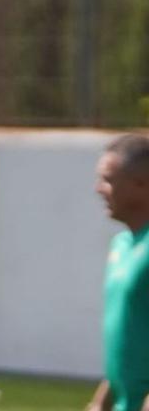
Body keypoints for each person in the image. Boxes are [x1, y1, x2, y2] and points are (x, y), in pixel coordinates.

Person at [89, 134, 149, 411]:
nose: (98, 189)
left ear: (142, 185)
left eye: (108, 180)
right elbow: (129, 338)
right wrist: (102, 401)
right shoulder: (122, 246)